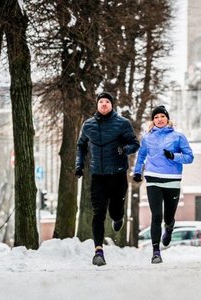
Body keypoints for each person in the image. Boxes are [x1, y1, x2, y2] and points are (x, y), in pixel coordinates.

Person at [75, 92, 140, 266]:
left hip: (118, 174)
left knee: (115, 209)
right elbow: (81, 146)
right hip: (98, 176)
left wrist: (124, 149)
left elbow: (135, 144)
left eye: (107, 102)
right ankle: (98, 252)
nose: (104, 104)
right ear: (97, 105)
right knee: (98, 213)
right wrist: (79, 165)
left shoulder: (122, 123)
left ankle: (118, 218)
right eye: (101, 102)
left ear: (112, 105)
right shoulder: (88, 125)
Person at [133, 105, 194, 264]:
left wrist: (174, 156)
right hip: (153, 178)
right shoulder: (147, 138)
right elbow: (141, 157)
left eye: (162, 116)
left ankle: (169, 227)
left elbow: (189, 157)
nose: (159, 119)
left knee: (168, 216)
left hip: (173, 179)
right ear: (153, 121)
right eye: (156, 117)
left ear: (167, 119)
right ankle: (156, 252)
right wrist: (138, 172)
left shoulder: (178, 137)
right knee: (156, 216)